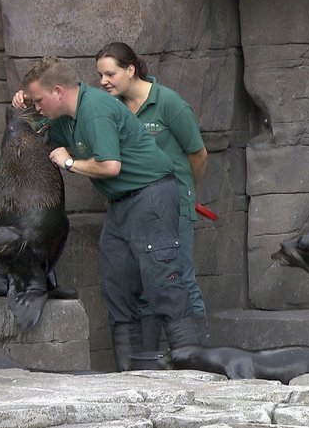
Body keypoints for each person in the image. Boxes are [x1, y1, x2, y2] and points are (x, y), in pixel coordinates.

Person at [14, 43, 211, 350]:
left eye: (40, 100)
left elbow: (110, 166)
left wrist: (69, 162)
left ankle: (193, 360)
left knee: (163, 280)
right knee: (117, 283)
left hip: (152, 195)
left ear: (58, 91)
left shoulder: (95, 111)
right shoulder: (66, 117)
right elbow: (32, 125)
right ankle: (134, 367)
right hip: (122, 205)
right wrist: (24, 102)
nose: (38, 107)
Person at [94, 42, 210, 349]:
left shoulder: (168, 103)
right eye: (100, 75)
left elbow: (198, 154)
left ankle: (201, 357)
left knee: (180, 278)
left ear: (130, 70)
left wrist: (185, 195)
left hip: (173, 204)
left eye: (110, 73)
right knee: (147, 284)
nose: (104, 81)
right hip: (135, 209)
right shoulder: (113, 108)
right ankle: (152, 362)